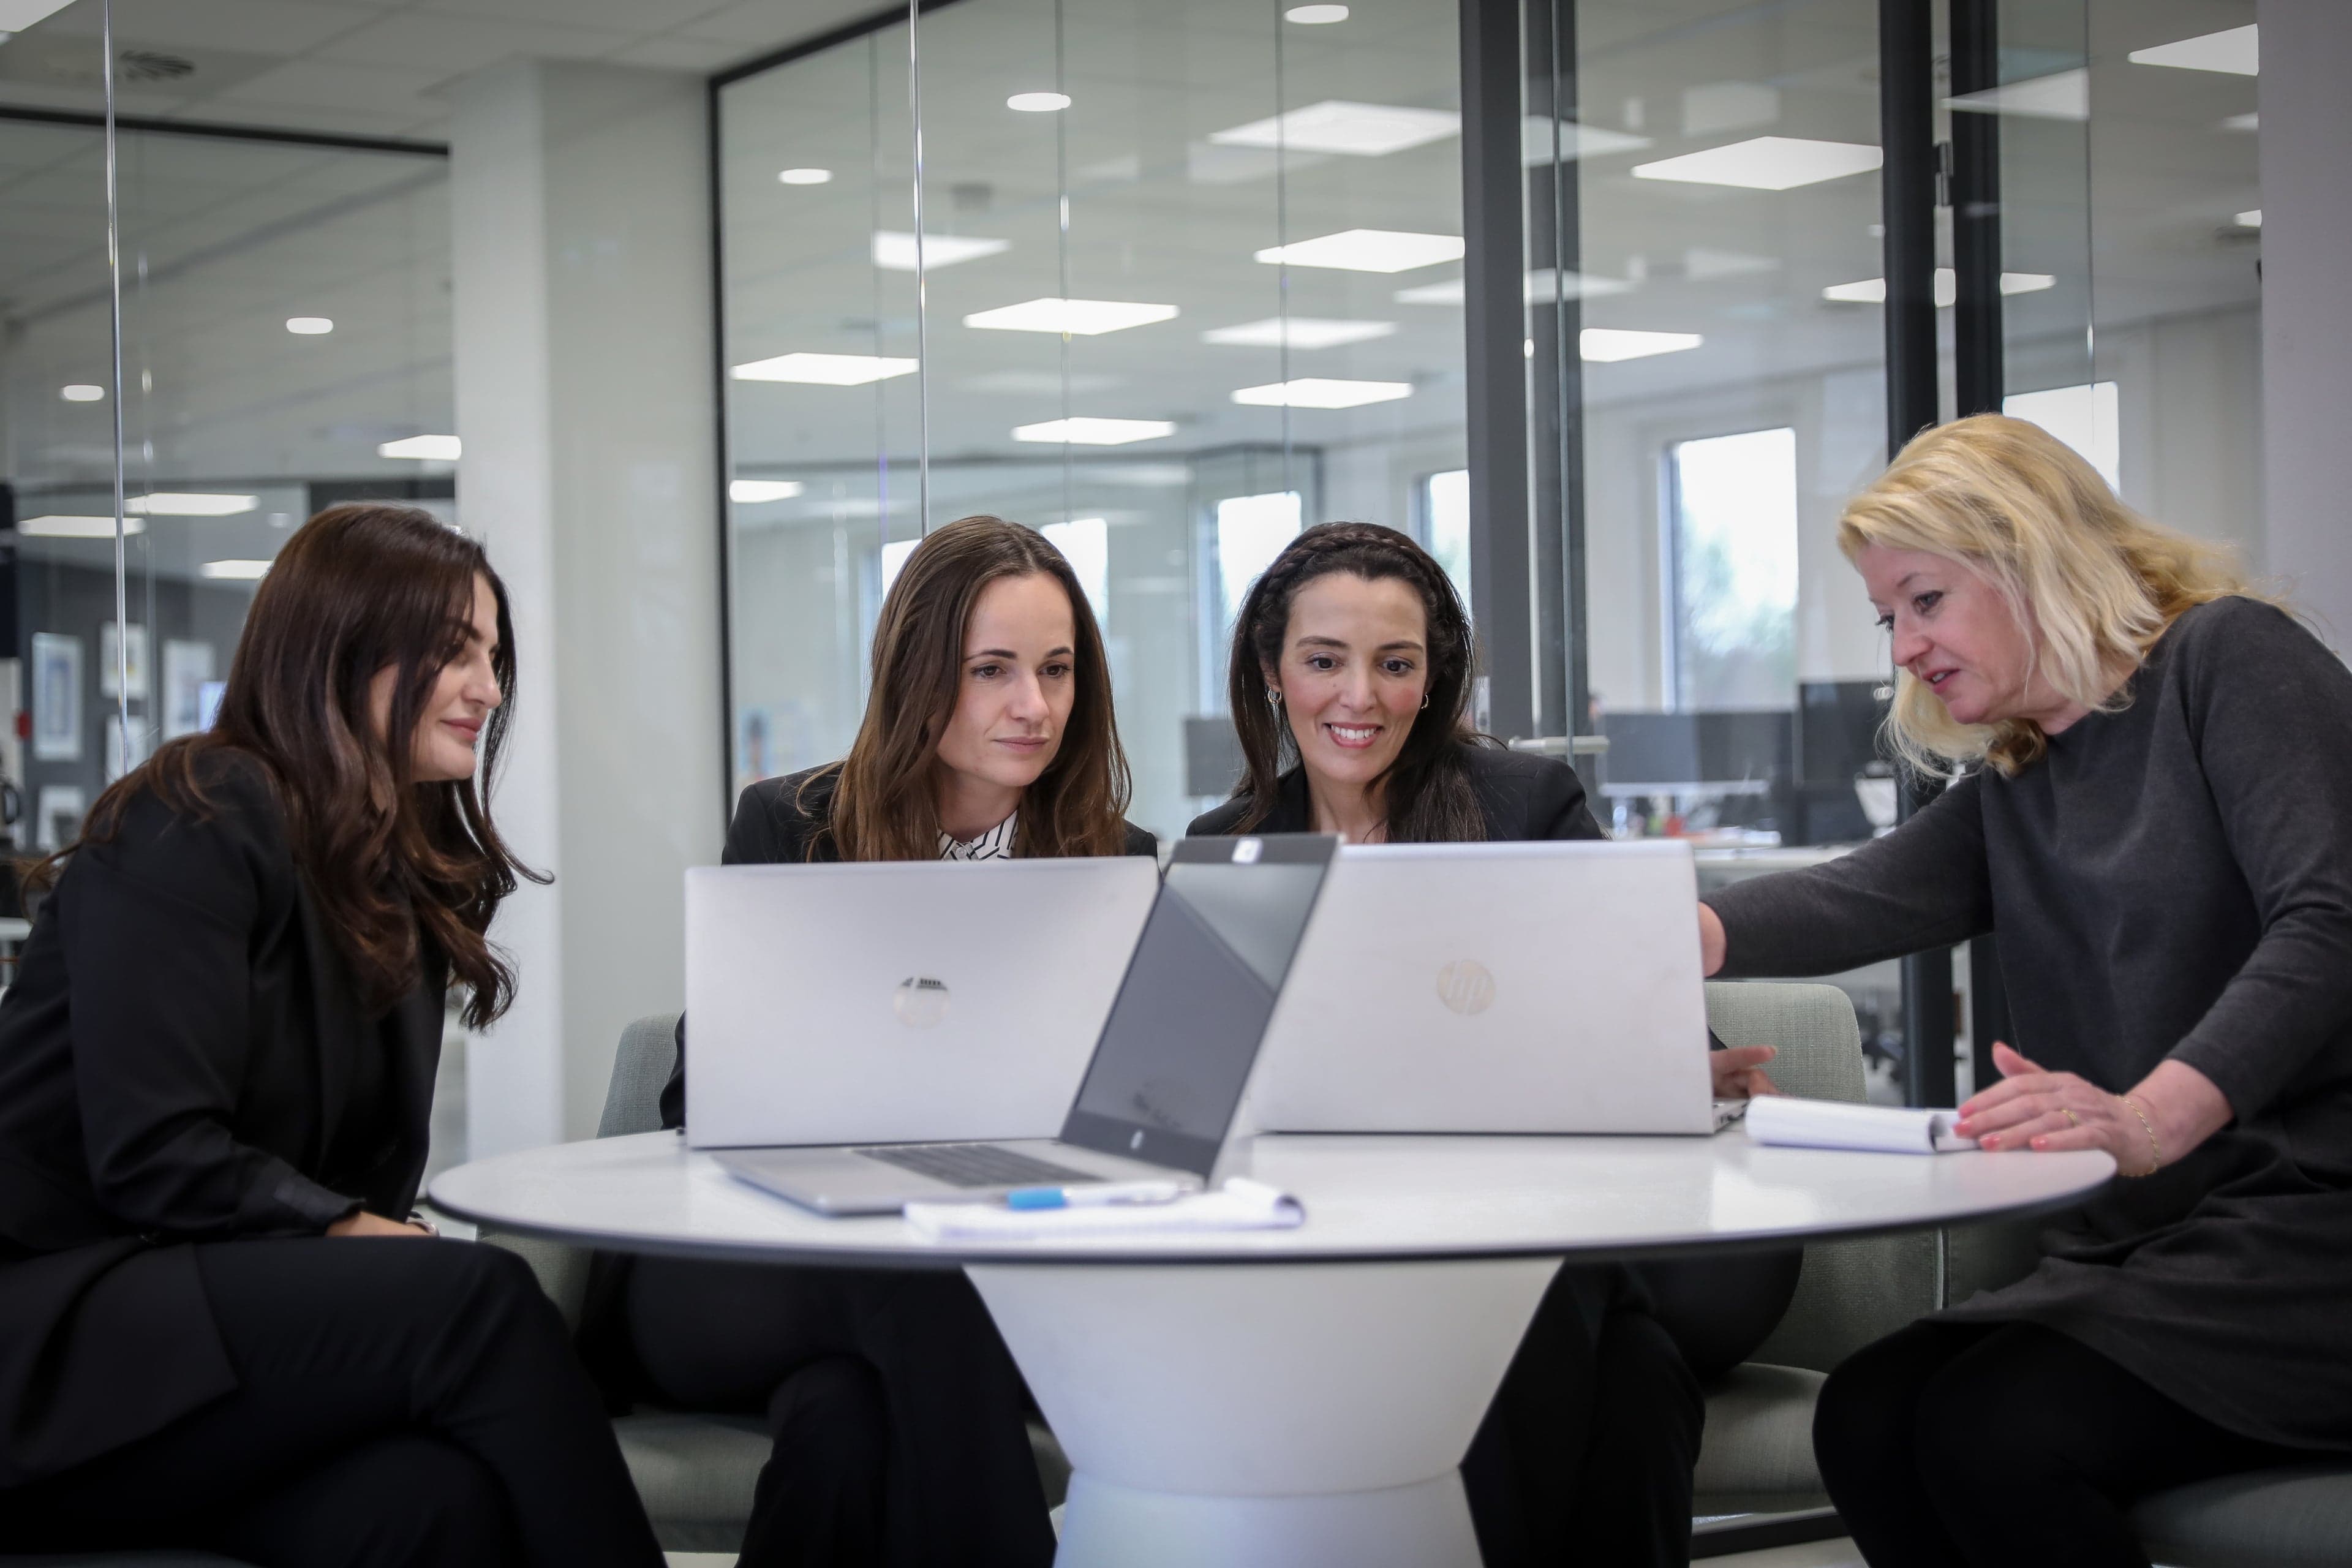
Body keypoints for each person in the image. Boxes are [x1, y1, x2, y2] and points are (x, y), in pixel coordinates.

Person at [1698, 413, 2352, 1568]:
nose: (1902, 647)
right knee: (1868, 1415)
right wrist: (1665, 933)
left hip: (2307, 1237)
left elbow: (2334, 919)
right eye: (1887, 616)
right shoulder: (2028, 764)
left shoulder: (2228, 661)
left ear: (2024, 553)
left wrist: (2152, 1114)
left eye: (1924, 601)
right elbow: (1863, 899)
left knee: (1992, 1434)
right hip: (2155, 1250)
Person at [0, 504, 664, 1568]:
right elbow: (153, 1155)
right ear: (341, 646)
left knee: (434, 1502)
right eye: (454, 651)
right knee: (479, 1302)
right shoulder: (198, 810)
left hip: (201, 1339)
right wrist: (352, 1236)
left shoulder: (388, 875)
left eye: (493, 658)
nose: (490, 690)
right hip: (60, 1353)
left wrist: (356, 1235)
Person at [1188, 520, 1790, 1567]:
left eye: (1396, 664)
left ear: (1437, 677)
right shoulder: (1227, 850)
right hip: (1346, 1248)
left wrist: (1671, 1070)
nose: (1359, 697)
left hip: (1565, 1231)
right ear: (1273, 671)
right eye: (1324, 660)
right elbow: (1193, 1088)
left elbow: (1649, 1014)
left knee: (1550, 1300)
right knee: (1638, 1376)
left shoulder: (1524, 804)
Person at [587, 515, 1153, 1568]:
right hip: (750, 1267)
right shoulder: (792, 827)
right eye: (993, 670)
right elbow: (697, 1105)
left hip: (979, 1280)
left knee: (841, 1422)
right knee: (918, 1281)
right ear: (919, 670)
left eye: (1057, 670)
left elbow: (1129, 1110)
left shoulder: (1113, 861)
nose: (1034, 707)